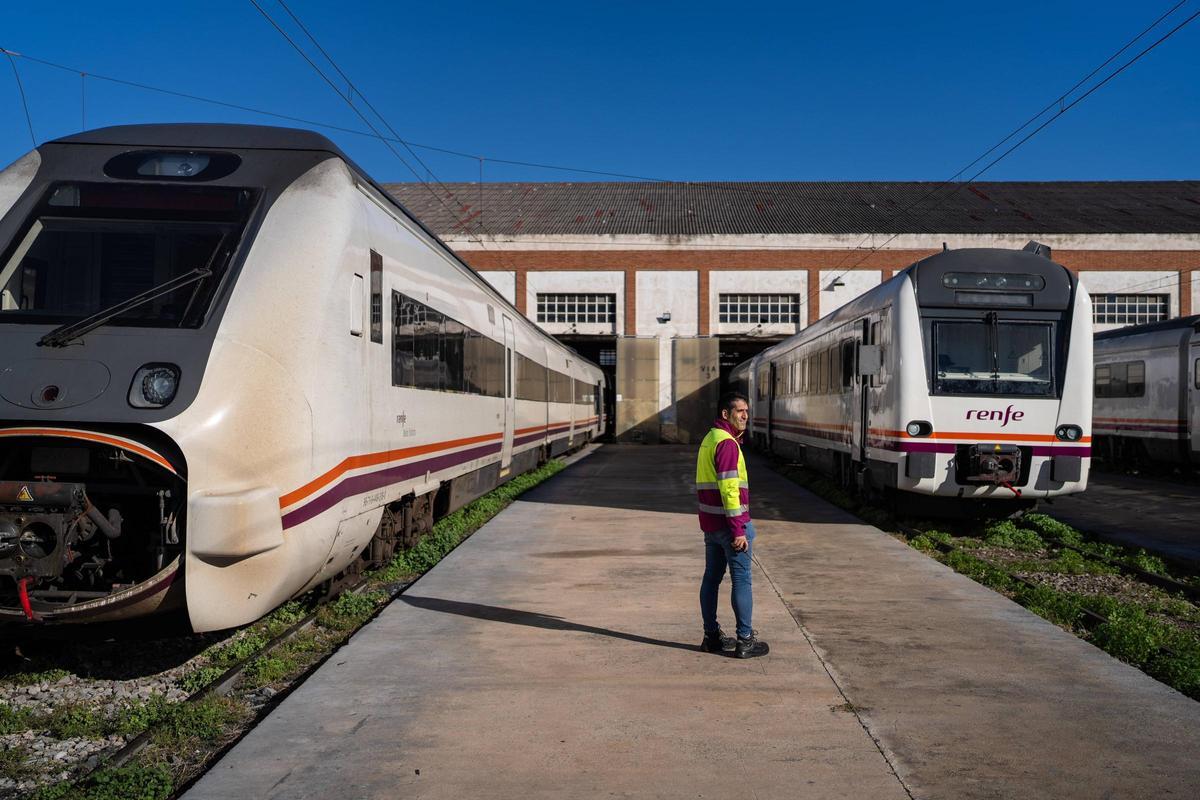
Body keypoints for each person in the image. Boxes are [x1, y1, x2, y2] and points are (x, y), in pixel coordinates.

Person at [695, 391, 769, 659]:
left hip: (711, 525)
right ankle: (745, 640)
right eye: (740, 411)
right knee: (741, 580)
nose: (745, 416)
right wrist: (738, 529)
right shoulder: (727, 443)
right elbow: (729, 489)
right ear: (725, 414)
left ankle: (711, 637)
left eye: (747, 411)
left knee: (711, 579)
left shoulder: (709, 440)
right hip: (730, 526)